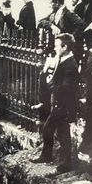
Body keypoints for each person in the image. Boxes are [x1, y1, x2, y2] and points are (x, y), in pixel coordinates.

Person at [31, 33, 79, 173]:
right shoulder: (61, 58)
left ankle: (64, 163)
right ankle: (55, 159)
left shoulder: (71, 65)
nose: (55, 48)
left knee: (58, 132)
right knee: (57, 131)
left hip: (64, 104)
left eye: (58, 45)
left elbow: (66, 87)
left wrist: (50, 83)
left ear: (65, 47)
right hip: (58, 102)